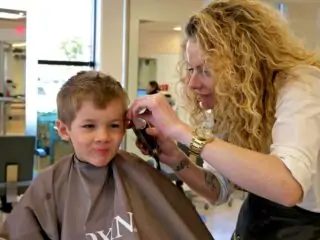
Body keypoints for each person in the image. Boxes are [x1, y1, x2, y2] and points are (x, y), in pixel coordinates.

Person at [128, 0, 320, 239]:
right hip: (257, 222)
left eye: (205, 70)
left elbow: (288, 186)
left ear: (242, 66)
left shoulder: (303, 85)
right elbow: (217, 188)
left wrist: (181, 131)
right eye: (191, 69)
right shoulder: (237, 105)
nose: (193, 83)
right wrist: (177, 158)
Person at [0, 71, 213, 240]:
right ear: (64, 130)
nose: (103, 137)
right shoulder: (50, 187)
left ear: (126, 126)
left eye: (113, 125)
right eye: (89, 126)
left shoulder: (140, 173)